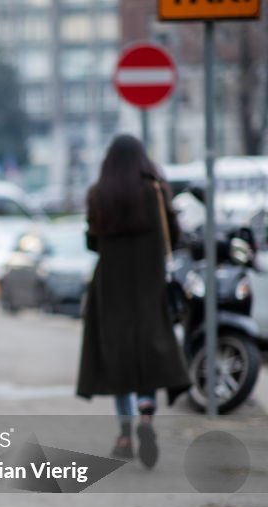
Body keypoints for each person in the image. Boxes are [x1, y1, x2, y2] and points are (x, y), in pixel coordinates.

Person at [76, 134, 190, 468]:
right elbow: (174, 236)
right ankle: (146, 416)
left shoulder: (99, 194)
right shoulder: (156, 191)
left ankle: (125, 434)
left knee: (118, 356)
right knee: (148, 352)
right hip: (148, 284)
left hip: (110, 287)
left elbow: (92, 242)